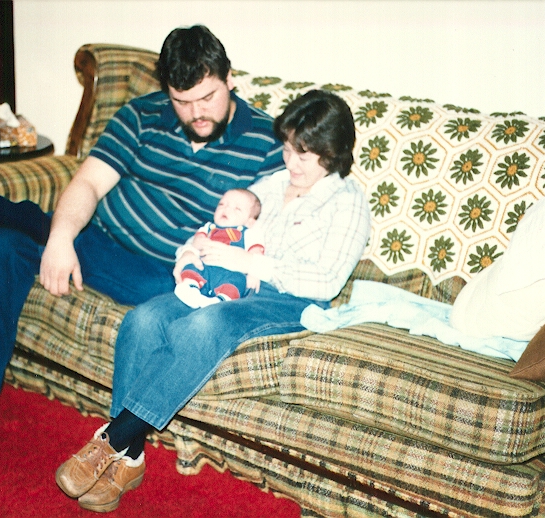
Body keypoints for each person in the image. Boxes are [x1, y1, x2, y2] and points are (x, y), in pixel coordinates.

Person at [0, 25, 285, 441]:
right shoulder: (141, 115)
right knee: (0, 246)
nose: (196, 113)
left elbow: (274, 230)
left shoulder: (267, 142)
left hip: (169, 271)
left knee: (158, 288)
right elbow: (88, 183)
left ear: (230, 79)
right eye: (182, 101)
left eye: (207, 97)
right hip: (99, 240)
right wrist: (61, 241)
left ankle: (33, 219)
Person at [54, 89, 371, 513]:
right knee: (145, 318)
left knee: (204, 326)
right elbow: (220, 225)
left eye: (304, 154)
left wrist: (250, 262)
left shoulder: (348, 202)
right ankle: (129, 460)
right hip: (225, 280)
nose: (291, 162)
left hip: (289, 299)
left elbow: (326, 281)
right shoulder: (273, 184)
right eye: (287, 149)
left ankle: (111, 440)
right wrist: (190, 253)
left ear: (333, 154)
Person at [175, 188, 264, 307]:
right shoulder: (208, 228)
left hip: (231, 272)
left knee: (238, 281)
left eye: (237, 209)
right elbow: (195, 243)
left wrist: (254, 273)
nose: (226, 209)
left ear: (250, 222)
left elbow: (256, 253)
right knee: (192, 267)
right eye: (222, 204)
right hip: (205, 266)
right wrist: (198, 242)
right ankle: (190, 288)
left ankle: (221, 300)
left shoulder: (249, 234)